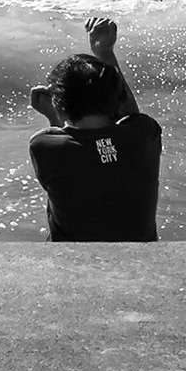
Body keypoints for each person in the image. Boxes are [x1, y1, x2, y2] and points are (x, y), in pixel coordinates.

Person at [27, 17, 161, 241]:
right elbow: (131, 117)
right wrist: (106, 54)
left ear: (60, 105)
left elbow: (71, 153)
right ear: (116, 96)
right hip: (140, 262)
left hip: (75, 267)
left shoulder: (43, 145)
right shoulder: (145, 133)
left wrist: (53, 116)